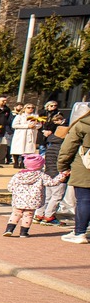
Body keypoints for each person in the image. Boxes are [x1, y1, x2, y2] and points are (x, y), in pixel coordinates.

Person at [4, 154, 67, 238]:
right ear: (40, 165)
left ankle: (9, 230)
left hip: (18, 199)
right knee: (28, 215)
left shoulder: (18, 175)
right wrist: (61, 176)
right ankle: (23, 232)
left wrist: (15, 191)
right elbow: (52, 182)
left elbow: (10, 186)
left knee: (16, 213)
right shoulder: (41, 175)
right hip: (33, 199)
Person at [57, 102, 90, 243]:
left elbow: (68, 148)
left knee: (84, 199)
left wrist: (62, 166)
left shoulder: (83, 124)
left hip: (85, 166)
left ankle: (80, 232)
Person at [11, 103, 41, 168]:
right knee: (18, 148)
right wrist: (27, 126)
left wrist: (35, 126)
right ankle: (16, 162)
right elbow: (14, 125)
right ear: (25, 108)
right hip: (21, 134)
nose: (31, 109)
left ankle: (23, 163)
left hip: (31, 134)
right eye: (29, 108)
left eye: (32, 108)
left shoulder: (35, 116)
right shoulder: (20, 116)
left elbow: (39, 124)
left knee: (28, 149)